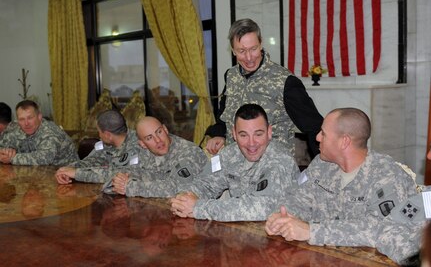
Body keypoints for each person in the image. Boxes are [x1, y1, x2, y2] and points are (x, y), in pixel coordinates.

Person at [264, 108, 422, 265]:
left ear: (344, 141)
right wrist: (283, 217)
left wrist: (310, 231)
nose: (318, 137)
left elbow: (379, 229)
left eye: (323, 133)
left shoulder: (387, 176)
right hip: (321, 258)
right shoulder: (321, 164)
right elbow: (298, 198)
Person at [205, 18, 323, 158]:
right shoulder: (231, 76)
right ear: (233, 51)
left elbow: (314, 127)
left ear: (261, 44)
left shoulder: (284, 81)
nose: (249, 58)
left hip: (272, 169)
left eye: (253, 49)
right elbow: (224, 115)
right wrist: (219, 134)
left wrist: (323, 167)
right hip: (235, 166)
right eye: (242, 51)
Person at [170, 103, 300, 222]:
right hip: (242, 234)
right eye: (243, 135)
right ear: (234, 134)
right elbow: (205, 183)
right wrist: (183, 199)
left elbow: (261, 208)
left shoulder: (281, 160)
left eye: (258, 134)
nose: (251, 143)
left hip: (281, 239)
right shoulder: (228, 154)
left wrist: (198, 207)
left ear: (269, 132)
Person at [56, 116, 208, 198]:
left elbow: (175, 187)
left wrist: (130, 186)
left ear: (166, 129)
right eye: (149, 138)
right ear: (142, 144)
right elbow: (125, 172)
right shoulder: (145, 151)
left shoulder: (188, 152)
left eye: (159, 132)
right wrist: (76, 173)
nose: (158, 140)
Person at [0, 100, 78, 165]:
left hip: (68, 175)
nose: (26, 123)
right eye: (21, 119)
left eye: (30, 118)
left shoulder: (50, 131)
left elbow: (43, 158)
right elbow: (2, 145)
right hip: (37, 173)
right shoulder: (14, 127)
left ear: (39, 116)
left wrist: (11, 158)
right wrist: (6, 151)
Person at [67, 109, 141, 168]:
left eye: (99, 132)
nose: (99, 135)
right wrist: (70, 168)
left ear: (107, 135)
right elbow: (90, 160)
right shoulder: (104, 143)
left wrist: (77, 174)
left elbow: (119, 174)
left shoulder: (139, 144)